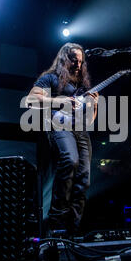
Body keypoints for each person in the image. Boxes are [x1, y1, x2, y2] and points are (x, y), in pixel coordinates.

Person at [26, 42, 98, 237]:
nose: (78, 64)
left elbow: (89, 120)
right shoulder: (50, 78)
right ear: (64, 58)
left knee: (84, 177)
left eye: (81, 61)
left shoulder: (82, 86)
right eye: (74, 59)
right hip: (59, 126)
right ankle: (55, 227)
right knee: (70, 160)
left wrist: (94, 104)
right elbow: (31, 100)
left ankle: (72, 230)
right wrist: (58, 101)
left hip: (81, 131)